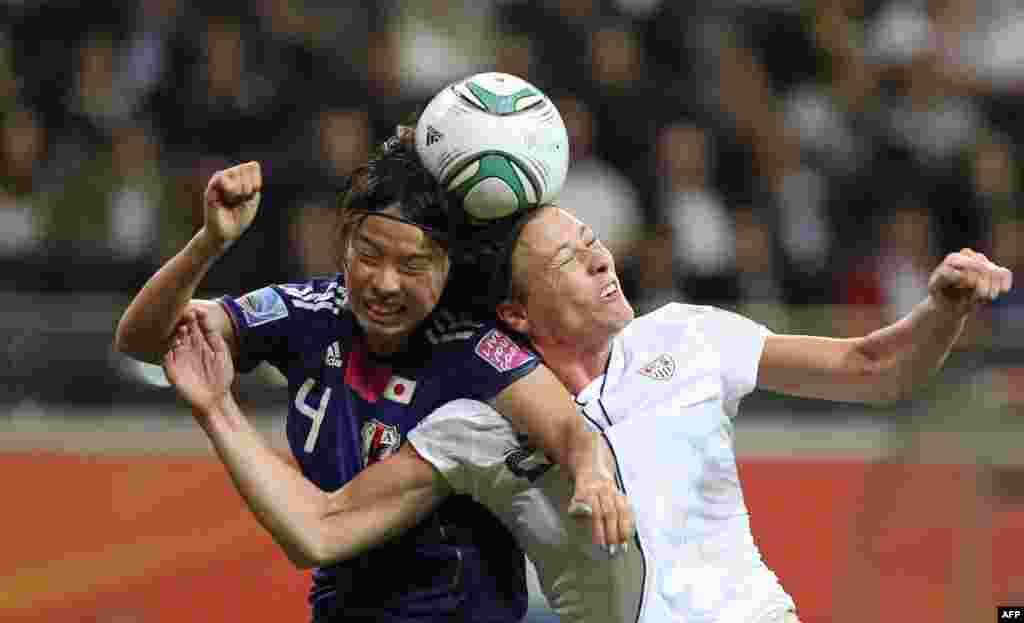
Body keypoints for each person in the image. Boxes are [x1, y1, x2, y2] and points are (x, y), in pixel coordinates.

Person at [162, 203, 1013, 623]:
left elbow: (876, 370)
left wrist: (943, 307)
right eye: (569, 258)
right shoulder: (478, 421)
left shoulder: (686, 335)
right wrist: (218, 412)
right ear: (520, 317)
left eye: (592, 241)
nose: (600, 256)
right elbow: (318, 528)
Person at [114, 137, 633, 622]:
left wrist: (593, 476)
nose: (385, 283)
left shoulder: (472, 347)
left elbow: (569, 431)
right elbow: (144, 340)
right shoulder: (308, 313)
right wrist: (209, 242)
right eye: (368, 255)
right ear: (344, 244)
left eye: (413, 265)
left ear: (448, 266)